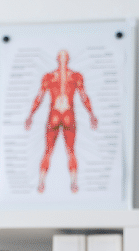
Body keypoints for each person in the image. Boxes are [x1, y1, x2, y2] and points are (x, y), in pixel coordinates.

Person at [24, 49, 98, 194]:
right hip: (68, 114)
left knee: (48, 151)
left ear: (57, 60)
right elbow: (84, 97)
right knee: (70, 151)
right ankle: (74, 184)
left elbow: (39, 97)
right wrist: (91, 114)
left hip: (55, 115)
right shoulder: (75, 76)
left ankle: (41, 184)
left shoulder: (49, 77)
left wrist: (31, 115)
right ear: (68, 59)